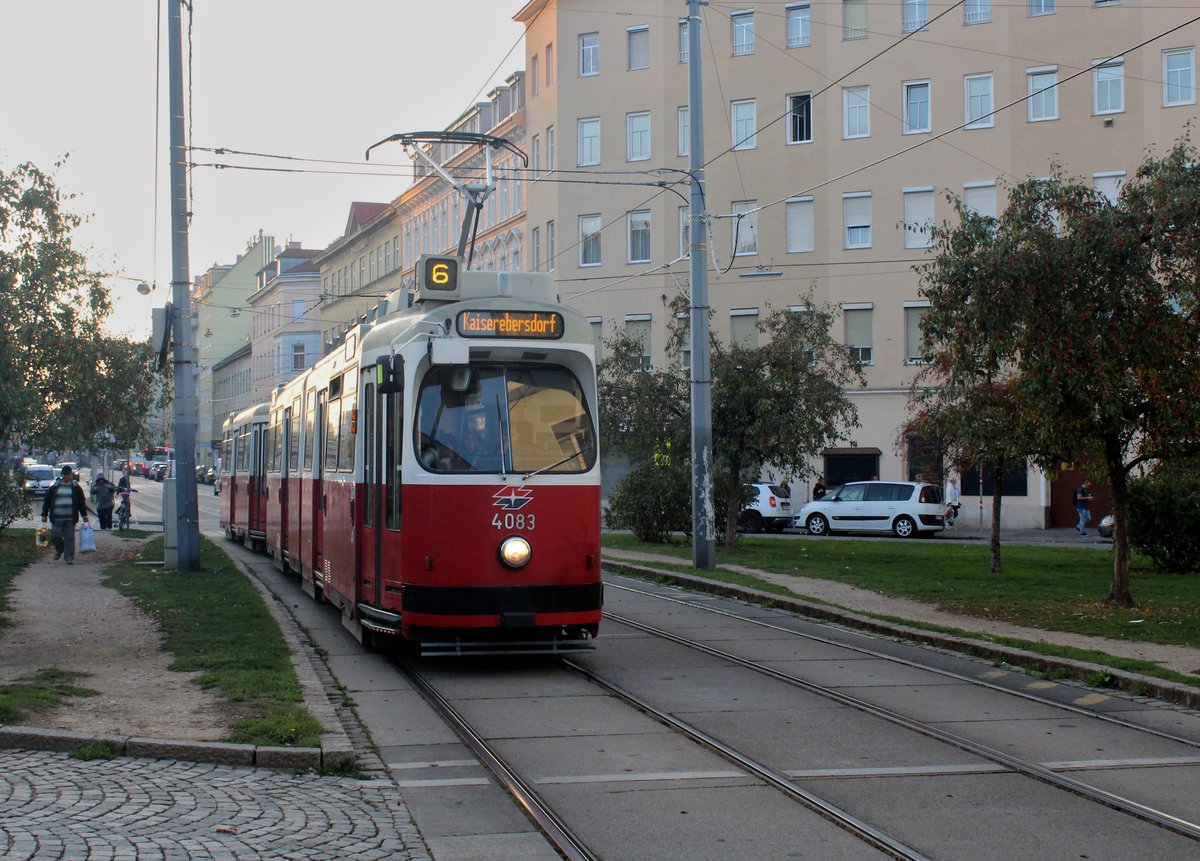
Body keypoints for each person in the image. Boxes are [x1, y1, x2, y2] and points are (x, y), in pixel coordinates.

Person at [41, 464, 90, 564]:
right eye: (65, 474)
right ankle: (60, 548)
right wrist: (44, 514)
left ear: (71, 475)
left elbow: (81, 503)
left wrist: (84, 515)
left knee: (70, 538)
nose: (66, 477)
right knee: (55, 536)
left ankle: (69, 557)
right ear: (62, 474)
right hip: (56, 518)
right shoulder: (54, 487)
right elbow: (47, 501)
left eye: (68, 475)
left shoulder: (76, 487)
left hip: (70, 518)